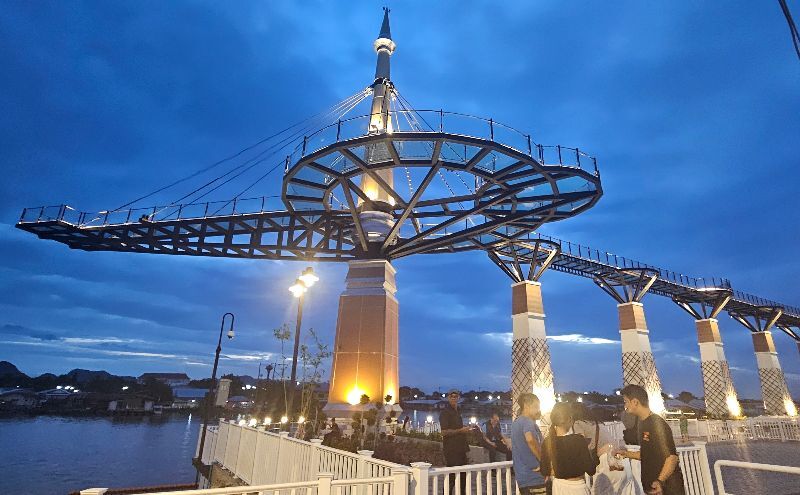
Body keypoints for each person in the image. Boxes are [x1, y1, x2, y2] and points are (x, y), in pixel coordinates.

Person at [616, 385, 684, 495]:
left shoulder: (657, 424)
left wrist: (660, 481)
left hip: (667, 488)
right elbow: (648, 454)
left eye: (626, 401)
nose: (625, 405)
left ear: (635, 402)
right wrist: (626, 454)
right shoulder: (642, 423)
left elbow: (672, 457)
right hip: (653, 488)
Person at [540, 402, 597, 495]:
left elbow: (544, 470)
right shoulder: (579, 440)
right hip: (577, 487)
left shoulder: (548, 442)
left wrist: (560, 470)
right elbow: (591, 470)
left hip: (558, 487)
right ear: (570, 419)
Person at [511, 393, 546, 495]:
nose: (538, 410)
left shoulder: (516, 423)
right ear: (526, 406)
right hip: (534, 478)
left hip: (522, 478)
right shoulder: (528, 422)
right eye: (536, 407)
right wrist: (543, 462)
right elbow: (530, 439)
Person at [440, 389, 472, 495]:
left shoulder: (458, 411)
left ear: (459, 398)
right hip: (451, 449)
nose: (454, 398)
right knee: (451, 477)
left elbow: (458, 428)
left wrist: (466, 429)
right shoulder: (445, 412)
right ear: (448, 398)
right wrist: (460, 430)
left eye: (456, 396)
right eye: (451, 396)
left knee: (463, 476)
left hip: (461, 448)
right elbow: (444, 432)